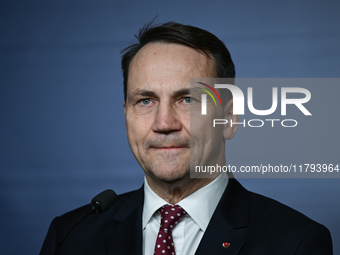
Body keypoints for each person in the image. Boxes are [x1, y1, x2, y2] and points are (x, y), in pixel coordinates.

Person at [40, 21, 333, 255]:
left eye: (188, 100)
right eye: (145, 101)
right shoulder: (70, 235)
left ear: (230, 119)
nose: (164, 124)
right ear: (126, 113)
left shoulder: (296, 243)